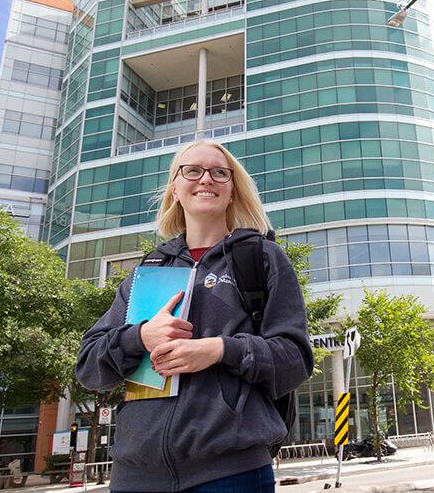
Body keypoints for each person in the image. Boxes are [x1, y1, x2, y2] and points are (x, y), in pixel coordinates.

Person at [76, 140, 314, 493]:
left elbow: (295, 358)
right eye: (193, 170)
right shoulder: (147, 271)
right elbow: (88, 368)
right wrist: (138, 337)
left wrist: (219, 350)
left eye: (219, 172)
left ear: (232, 190)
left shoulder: (263, 258)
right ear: (175, 187)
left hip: (231, 473)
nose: (206, 179)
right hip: (135, 477)